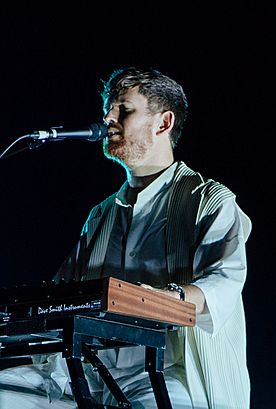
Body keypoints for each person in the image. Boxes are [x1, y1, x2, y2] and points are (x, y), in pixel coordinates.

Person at [0, 67, 252, 409]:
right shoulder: (101, 214)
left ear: (163, 123)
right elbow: (62, 295)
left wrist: (163, 298)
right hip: (87, 371)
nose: (108, 118)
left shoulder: (210, 201)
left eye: (124, 109)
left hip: (167, 374)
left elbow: (224, 281)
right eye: (108, 108)